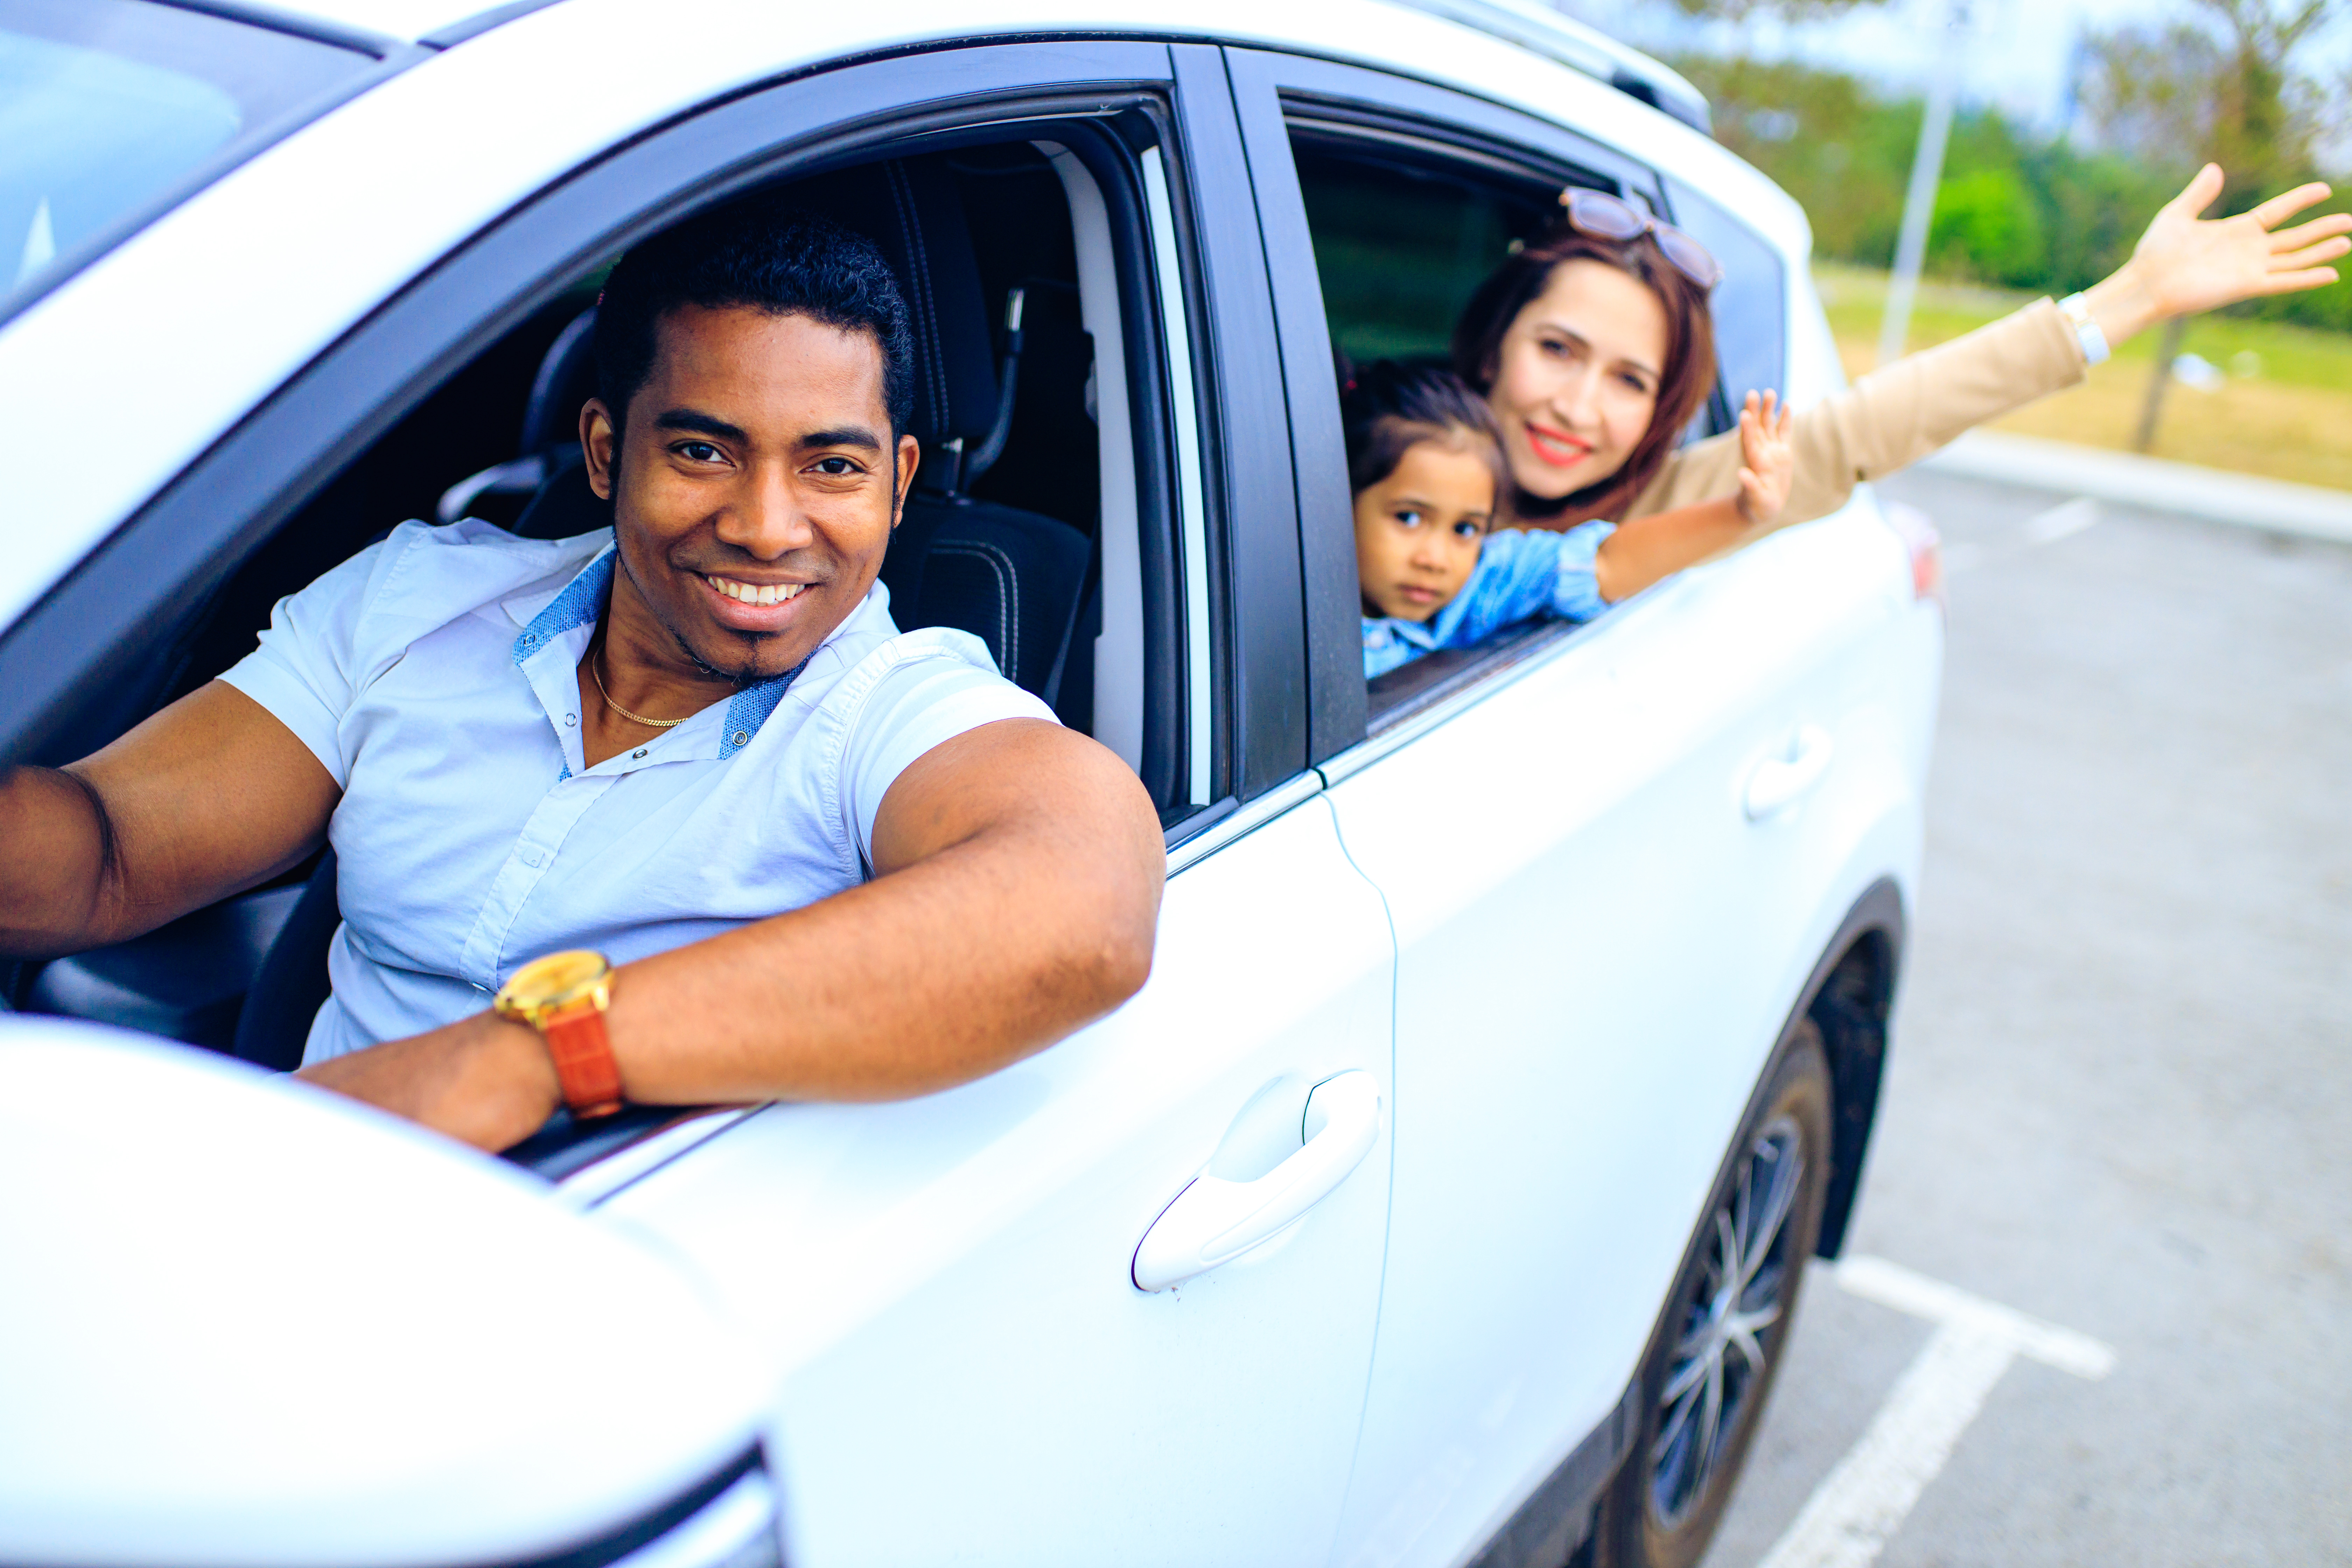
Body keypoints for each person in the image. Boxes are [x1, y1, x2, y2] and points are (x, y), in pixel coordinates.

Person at [0, 197, 1166, 1152]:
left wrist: (532, 1053)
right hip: (293, 1225)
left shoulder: (886, 706)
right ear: (609, 450)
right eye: (704, 451)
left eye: (832, 466)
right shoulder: (419, 603)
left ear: (899, 484)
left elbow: (1085, 903)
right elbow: (104, 851)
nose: (768, 527)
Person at [1452, 166, 2352, 539]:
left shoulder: (1669, 506)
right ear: (1494, 345)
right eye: (1558, 349)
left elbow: (1866, 428)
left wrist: (2135, 298)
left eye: (1630, 381)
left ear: (1663, 410)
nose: (1576, 406)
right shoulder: (1348, 459)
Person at [1349, 360, 1794, 678]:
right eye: (1408, 518)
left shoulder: (1482, 585)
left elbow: (1605, 565)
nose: (1436, 559)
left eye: (1466, 529)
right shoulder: (1286, 616)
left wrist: (1740, 512)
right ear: (1341, 502)